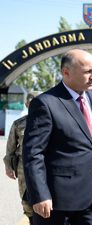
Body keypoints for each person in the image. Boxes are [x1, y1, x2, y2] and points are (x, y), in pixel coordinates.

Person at [23, 49, 92, 225]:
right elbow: (33, 154)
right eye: (88, 71)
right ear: (66, 72)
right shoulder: (45, 103)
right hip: (57, 201)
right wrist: (40, 195)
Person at [3, 91, 41, 225]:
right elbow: (10, 149)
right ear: (27, 104)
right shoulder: (18, 124)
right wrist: (8, 167)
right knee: (26, 200)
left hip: (45, 167)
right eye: (33, 103)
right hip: (23, 168)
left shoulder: (51, 122)